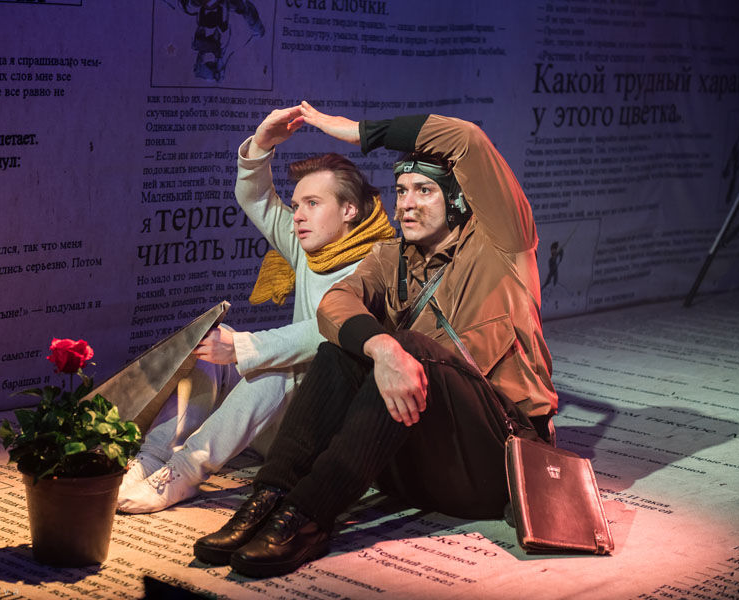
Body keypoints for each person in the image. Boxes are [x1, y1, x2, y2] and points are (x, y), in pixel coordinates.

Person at [193, 102, 558, 577]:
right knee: (339, 350)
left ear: (458, 199)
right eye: (401, 190)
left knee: (410, 347)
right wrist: (379, 347)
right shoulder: (390, 257)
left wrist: (358, 132)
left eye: (424, 190)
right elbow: (334, 304)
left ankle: (308, 515)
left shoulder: (501, 244)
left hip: (496, 461)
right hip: (416, 463)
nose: (406, 204)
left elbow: (467, 139)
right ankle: (271, 498)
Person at [117, 105, 395, 513]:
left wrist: (244, 348)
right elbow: (257, 197)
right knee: (208, 350)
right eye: (296, 205)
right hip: (277, 420)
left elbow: (327, 329)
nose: (297, 216)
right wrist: (261, 145)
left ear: (349, 209)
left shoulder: (380, 264)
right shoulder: (311, 246)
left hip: (322, 428)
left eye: (312, 203)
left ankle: (185, 471)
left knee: (275, 369)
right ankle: (154, 458)